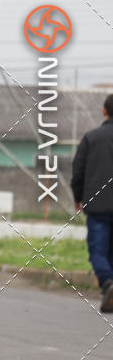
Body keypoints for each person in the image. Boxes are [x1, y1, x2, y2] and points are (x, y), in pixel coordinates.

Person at [71, 93, 113, 313]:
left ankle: (107, 283)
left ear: (104, 111)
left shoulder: (91, 138)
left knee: (98, 250)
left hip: (98, 206)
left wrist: (78, 196)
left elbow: (78, 171)